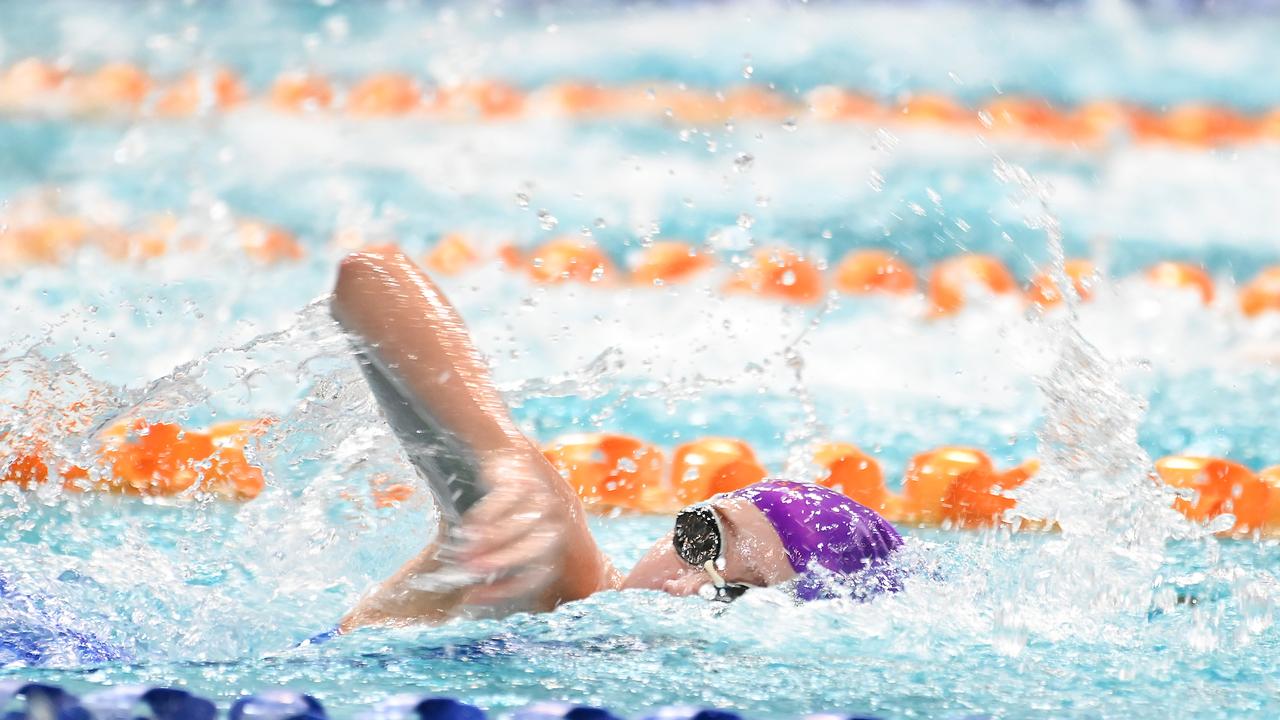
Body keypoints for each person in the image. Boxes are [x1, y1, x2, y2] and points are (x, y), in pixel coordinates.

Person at [331, 247, 903, 633]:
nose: (684, 587)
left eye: (737, 594)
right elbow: (371, 277)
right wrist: (502, 454)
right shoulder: (555, 567)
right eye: (702, 538)